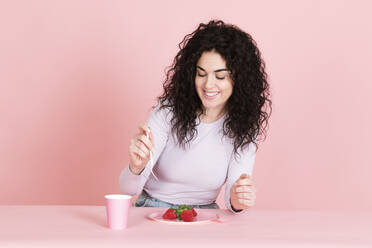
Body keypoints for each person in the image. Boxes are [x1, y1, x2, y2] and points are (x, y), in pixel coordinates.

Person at [119, 19, 272, 213]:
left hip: (206, 214)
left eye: (220, 76)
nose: (208, 85)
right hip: (152, 209)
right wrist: (136, 167)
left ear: (239, 79)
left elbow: (233, 198)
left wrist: (238, 198)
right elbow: (127, 189)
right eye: (201, 74)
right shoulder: (169, 110)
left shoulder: (245, 124)